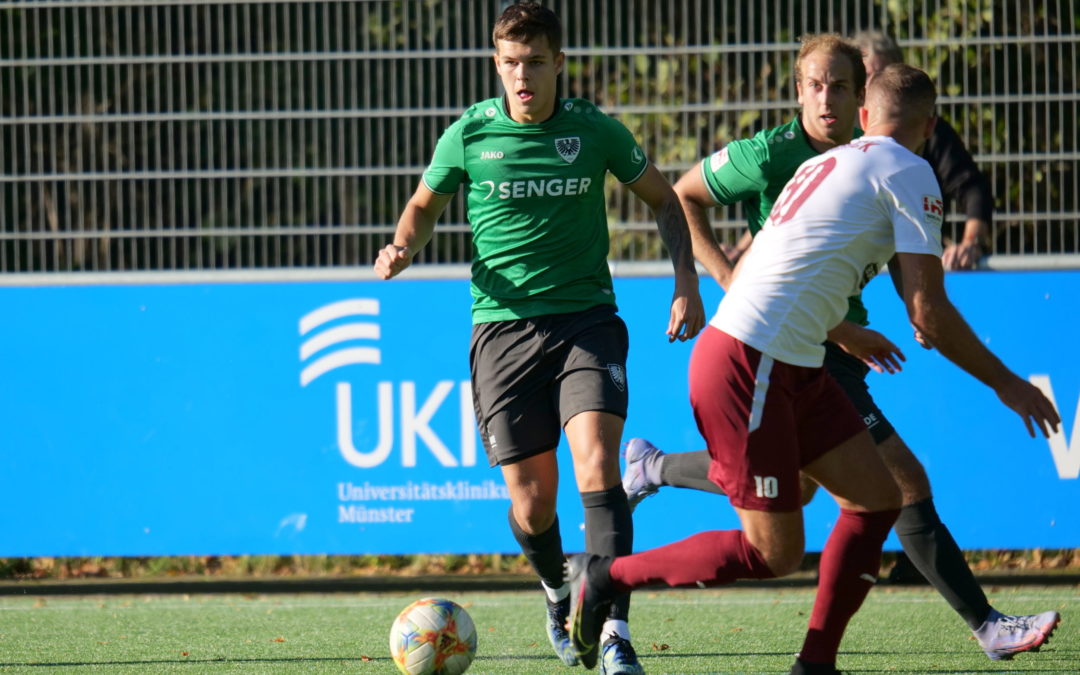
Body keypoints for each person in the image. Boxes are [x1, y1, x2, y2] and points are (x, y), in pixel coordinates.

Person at [568, 62, 1061, 675]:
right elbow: (928, 314)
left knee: (878, 497)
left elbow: (792, 271)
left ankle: (815, 665)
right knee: (774, 553)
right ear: (929, 126)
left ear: (862, 116)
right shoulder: (911, 171)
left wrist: (846, 328)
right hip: (753, 364)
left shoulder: (823, 164)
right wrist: (1008, 384)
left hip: (791, 360)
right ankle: (608, 575)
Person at [373, 3, 705, 674]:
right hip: (501, 331)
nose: (521, 76)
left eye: (533, 62)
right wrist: (402, 245)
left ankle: (613, 628)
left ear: (559, 63)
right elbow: (421, 205)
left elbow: (665, 200)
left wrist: (686, 281)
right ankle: (558, 589)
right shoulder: (469, 134)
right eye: (509, 63)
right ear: (497, 65)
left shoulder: (594, 131)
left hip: (586, 320)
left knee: (596, 466)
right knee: (530, 500)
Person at [854, 30, 994, 270]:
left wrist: (971, 242)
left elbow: (972, 187)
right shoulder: (840, 134)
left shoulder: (930, 129)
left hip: (915, 261)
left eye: (884, 75)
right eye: (868, 75)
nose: (876, 84)